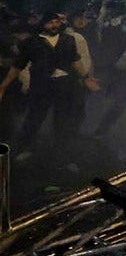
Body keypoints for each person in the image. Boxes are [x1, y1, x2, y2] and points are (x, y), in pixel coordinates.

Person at [0, 11, 96, 154]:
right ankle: (22, 149)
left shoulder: (68, 40)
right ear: (43, 23)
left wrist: (86, 77)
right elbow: (18, 66)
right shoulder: (32, 42)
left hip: (64, 85)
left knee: (62, 119)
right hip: (42, 85)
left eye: (57, 22)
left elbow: (76, 61)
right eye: (51, 22)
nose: (54, 25)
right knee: (34, 118)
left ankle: (59, 152)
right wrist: (4, 85)